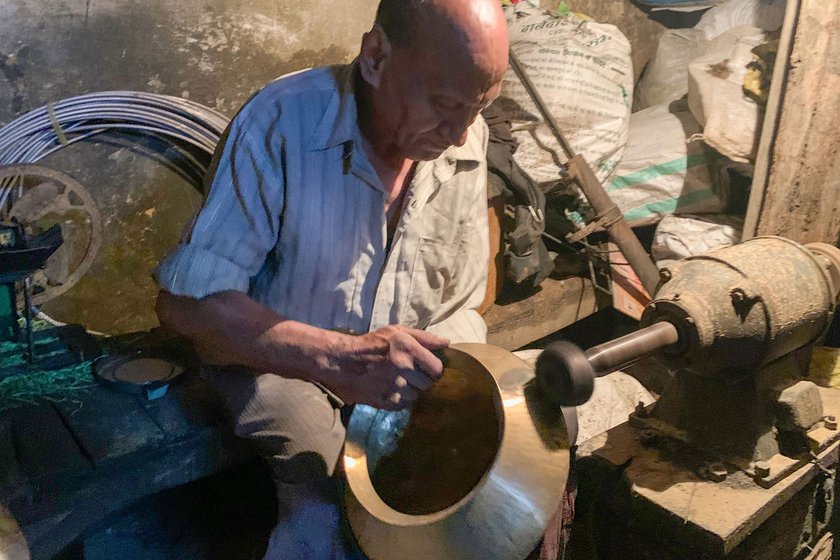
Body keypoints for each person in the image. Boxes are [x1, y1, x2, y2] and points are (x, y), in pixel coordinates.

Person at [153, 0, 509, 557]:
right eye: (444, 105)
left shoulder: (466, 137)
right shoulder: (281, 121)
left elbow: (464, 306)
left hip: (398, 376)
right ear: (375, 56)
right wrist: (339, 358)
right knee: (332, 498)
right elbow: (187, 308)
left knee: (478, 484)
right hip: (278, 362)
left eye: (478, 107)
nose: (461, 134)